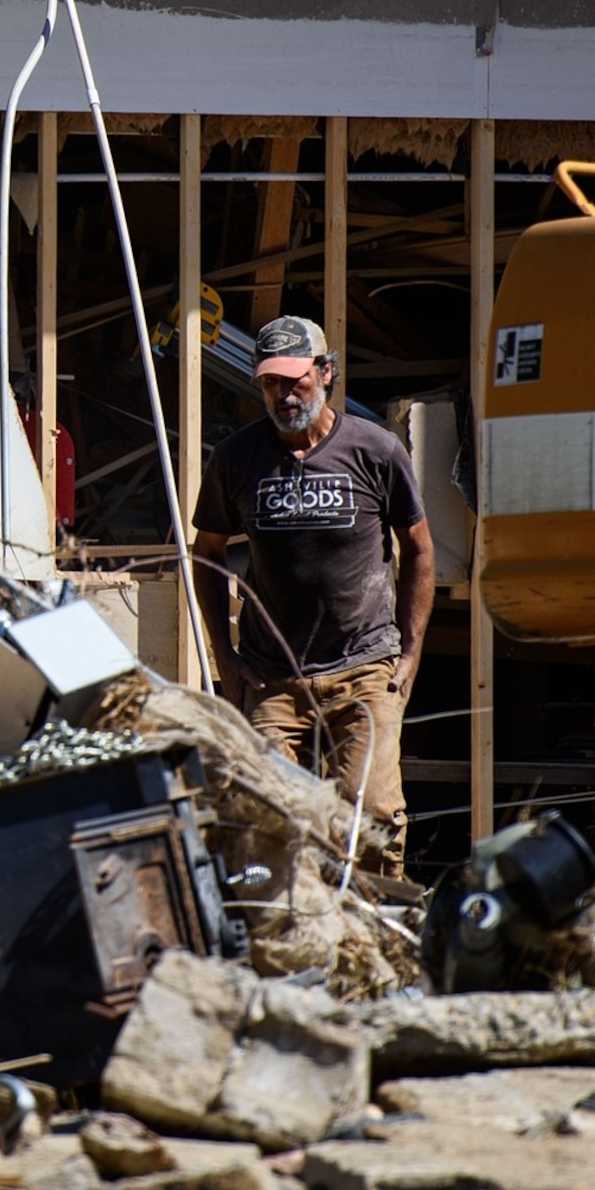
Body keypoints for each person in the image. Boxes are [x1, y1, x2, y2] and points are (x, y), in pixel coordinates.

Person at [189, 314, 435, 877]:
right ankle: (291, 952)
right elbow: (205, 553)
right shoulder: (237, 458)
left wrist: (411, 650)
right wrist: (224, 654)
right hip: (273, 675)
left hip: (364, 666)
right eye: (272, 381)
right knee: (267, 821)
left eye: (297, 379)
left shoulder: (376, 450)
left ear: (327, 373)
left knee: (371, 817)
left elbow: (419, 548)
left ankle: (376, 947)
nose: (284, 393)